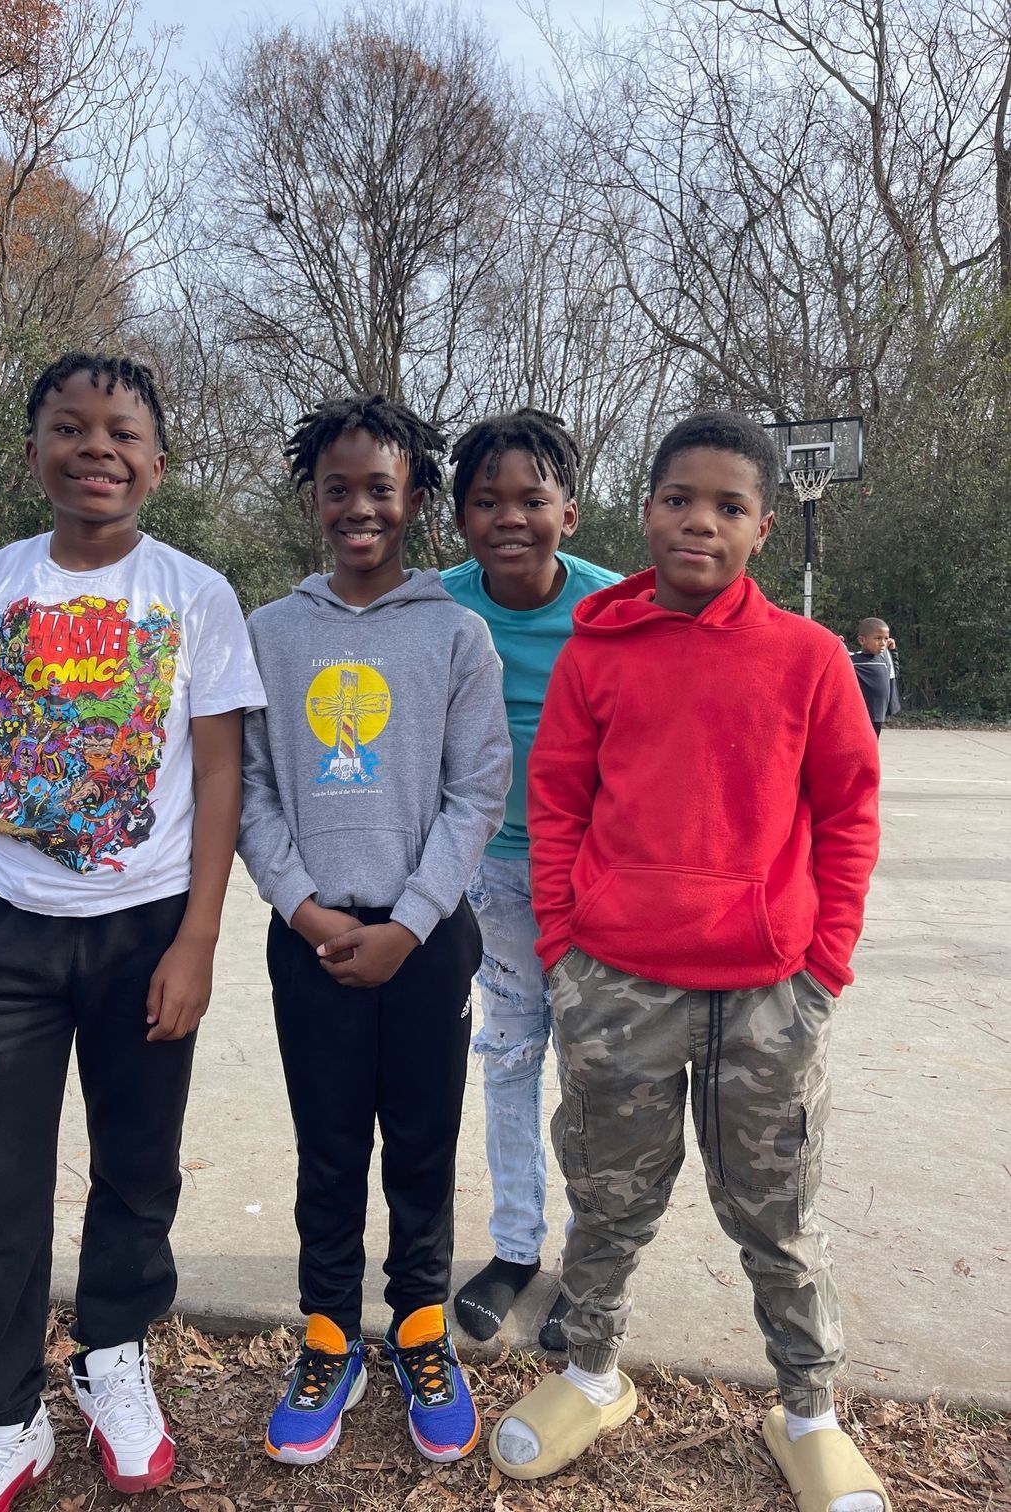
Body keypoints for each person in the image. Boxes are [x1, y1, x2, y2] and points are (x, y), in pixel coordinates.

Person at [490, 412, 890, 1512]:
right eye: (678, 500)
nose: (698, 522)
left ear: (764, 526)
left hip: (768, 996)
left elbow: (849, 814)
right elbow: (558, 805)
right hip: (617, 990)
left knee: (777, 1215)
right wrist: (567, 955)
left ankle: (807, 1409)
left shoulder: (810, 660)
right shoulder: (594, 653)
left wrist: (823, 971)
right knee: (608, 1202)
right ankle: (591, 1374)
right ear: (646, 510)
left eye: (727, 506)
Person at [0, 353, 265, 1512]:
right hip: (0, 934)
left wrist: (198, 938)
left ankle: (114, 1354)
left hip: (143, 931)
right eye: (70, 428)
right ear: (33, 455)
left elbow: (220, 774)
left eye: (122, 432)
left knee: (137, 1168)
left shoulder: (194, 596)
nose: (96, 447)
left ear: (157, 463)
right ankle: (2, 1419)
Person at [237, 394, 511, 1468]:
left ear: (416, 503)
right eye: (337, 488)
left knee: (424, 1144)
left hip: (425, 940)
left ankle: (419, 1326)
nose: (358, 508)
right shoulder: (271, 632)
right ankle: (326, 1333)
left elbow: (477, 791)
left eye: (380, 490)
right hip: (309, 936)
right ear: (313, 498)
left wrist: (407, 921)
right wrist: (302, 905)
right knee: (329, 1141)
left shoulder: (456, 633)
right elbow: (252, 790)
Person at [440, 409, 621, 1350]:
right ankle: (515, 1248)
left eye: (532, 498)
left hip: (595, 880)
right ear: (461, 517)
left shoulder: (615, 609)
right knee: (509, 1060)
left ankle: (591, 1277)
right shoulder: (434, 605)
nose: (510, 516)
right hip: (486, 880)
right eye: (486, 500)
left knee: (598, 1077)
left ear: (571, 513)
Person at [851, 617, 901, 738]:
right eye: (878, 638)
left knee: (873, 743)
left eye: (886, 638)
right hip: (860, 714)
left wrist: (893, 651)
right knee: (861, 743)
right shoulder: (853, 660)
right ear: (862, 640)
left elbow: (894, 673)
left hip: (878, 714)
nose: (883, 642)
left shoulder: (884, 658)